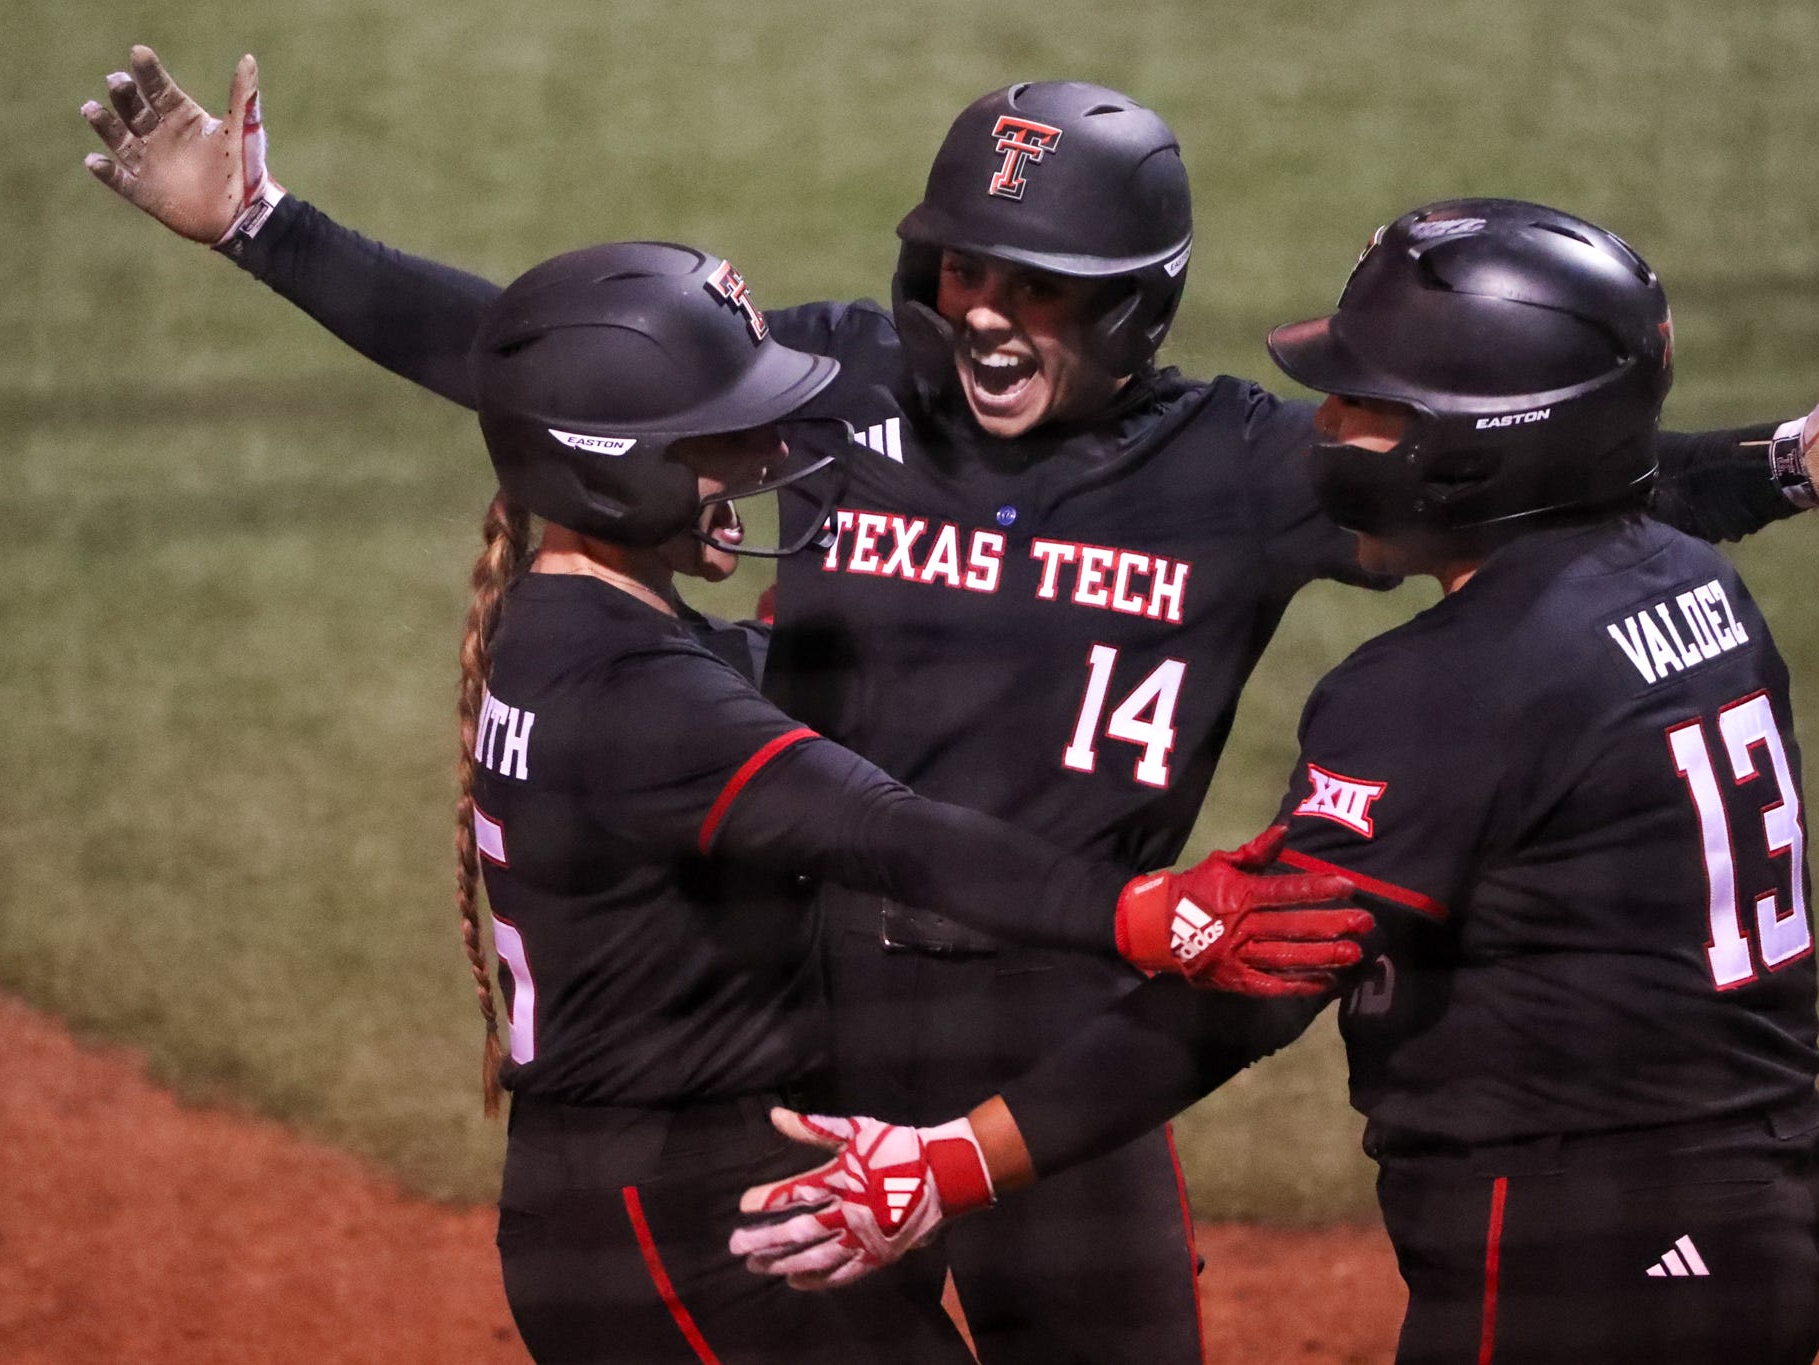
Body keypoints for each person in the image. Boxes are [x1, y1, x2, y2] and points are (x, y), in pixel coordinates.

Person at [81, 51, 1819, 1363]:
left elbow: (1507, 475)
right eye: (964, 264)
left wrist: (1774, 468)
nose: (984, 315)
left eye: (1038, 288)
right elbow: (548, 362)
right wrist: (263, 228)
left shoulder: (1236, 467)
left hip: (1069, 1039)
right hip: (801, 1031)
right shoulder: (845, 389)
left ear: (1129, 308)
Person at [734, 199, 1819, 1365]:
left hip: (1581, 1238)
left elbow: (1256, 980)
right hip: (1758, 1188)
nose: (1319, 433)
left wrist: (950, 1159)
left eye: (1364, 408)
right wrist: (1771, 466)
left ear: (1481, 442)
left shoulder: (1444, 682)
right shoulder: (1687, 589)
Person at [443, 239, 1371, 1363]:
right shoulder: (641, 695)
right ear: (609, 464)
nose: (766, 454)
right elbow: (885, 828)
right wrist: (1141, 913)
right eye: (721, 436)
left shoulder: (588, 637)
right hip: (669, 1232)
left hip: (692, 1199)